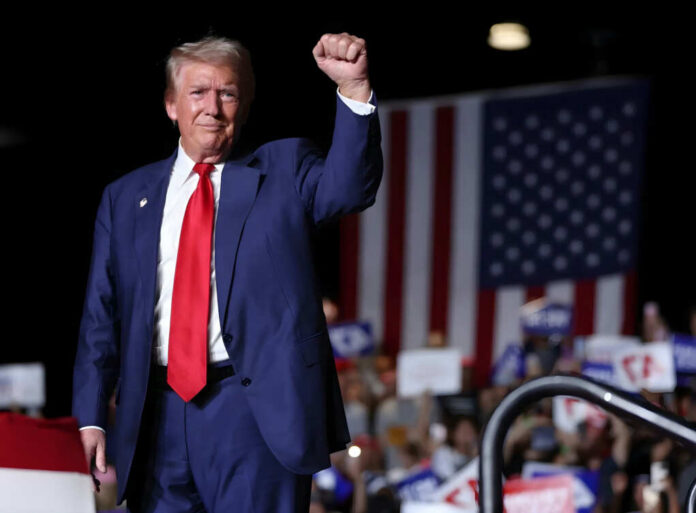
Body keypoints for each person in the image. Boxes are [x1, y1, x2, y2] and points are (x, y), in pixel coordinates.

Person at [72, 31, 383, 512]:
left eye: (228, 93)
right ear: (171, 105)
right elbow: (100, 316)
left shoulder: (283, 168)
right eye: (197, 92)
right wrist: (90, 416)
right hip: (155, 415)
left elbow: (348, 189)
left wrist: (354, 90)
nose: (212, 107)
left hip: (256, 411)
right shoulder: (124, 198)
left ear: (245, 103)